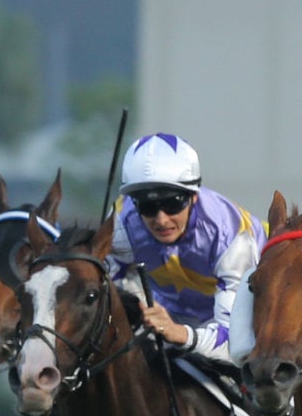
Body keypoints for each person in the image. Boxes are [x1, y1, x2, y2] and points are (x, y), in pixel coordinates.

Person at [110, 132, 260, 366]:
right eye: (148, 206)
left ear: (194, 197)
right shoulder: (122, 222)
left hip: (249, 319)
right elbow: (111, 291)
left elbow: (235, 342)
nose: (161, 220)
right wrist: (142, 308)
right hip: (171, 313)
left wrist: (179, 333)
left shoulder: (230, 236)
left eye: (172, 204)